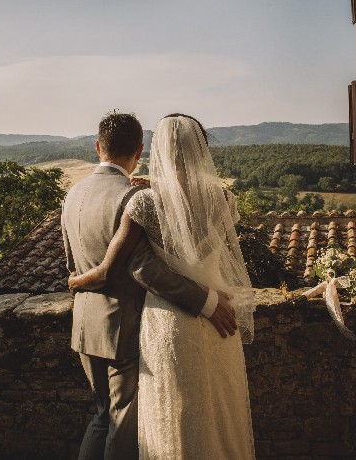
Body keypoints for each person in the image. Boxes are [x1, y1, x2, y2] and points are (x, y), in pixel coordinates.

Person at [69, 114, 256, 460]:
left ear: (158, 151)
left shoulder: (143, 202)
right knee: (217, 416)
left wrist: (77, 280)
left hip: (167, 322)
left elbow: (122, 266)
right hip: (220, 319)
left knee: (173, 418)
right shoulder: (224, 201)